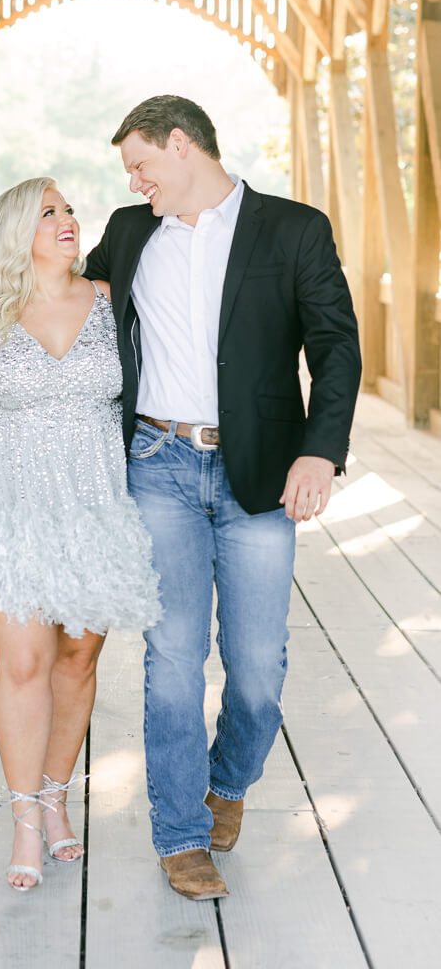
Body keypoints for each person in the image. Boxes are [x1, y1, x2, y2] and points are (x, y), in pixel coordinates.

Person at [84, 95, 361, 901]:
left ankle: (229, 784)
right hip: (158, 464)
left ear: (182, 146)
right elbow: (68, 300)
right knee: (172, 658)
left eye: (141, 164)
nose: (134, 182)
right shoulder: (132, 233)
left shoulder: (294, 228)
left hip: (263, 473)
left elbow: (336, 345)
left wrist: (320, 450)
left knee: (256, 671)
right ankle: (179, 834)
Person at [0, 176, 161, 892]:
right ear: (17, 229)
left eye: (69, 210)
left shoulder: (114, 304)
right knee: (23, 663)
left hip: (95, 504)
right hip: (8, 504)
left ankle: (57, 800)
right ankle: (24, 817)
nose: (68, 220)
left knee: (77, 662)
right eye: (48, 212)